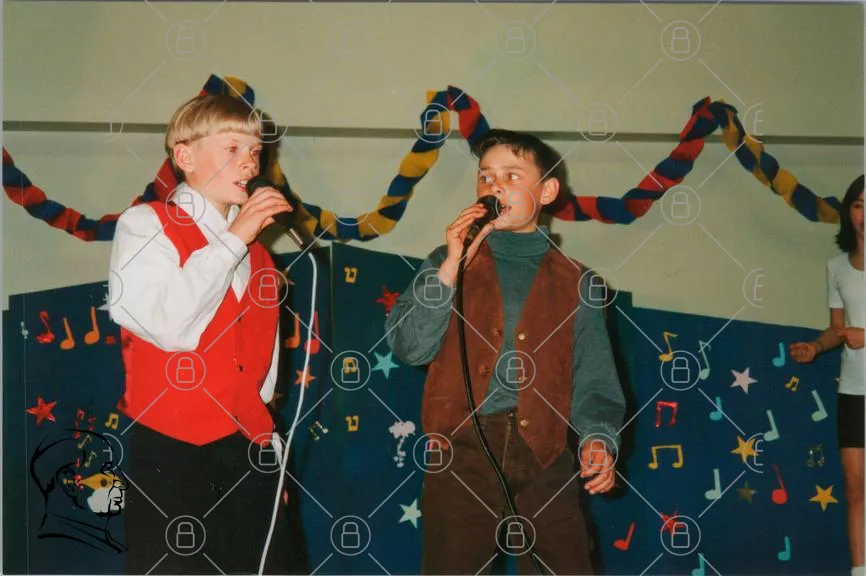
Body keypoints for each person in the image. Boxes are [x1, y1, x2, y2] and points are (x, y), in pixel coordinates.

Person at [385, 128, 626, 575]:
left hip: (545, 450)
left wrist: (598, 435)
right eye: (485, 177)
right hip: (461, 450)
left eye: (512, 176)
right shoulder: (445, 261)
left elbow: (594, 376)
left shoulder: (578, 281)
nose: (495, 186)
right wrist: (450, 267)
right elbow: (409, 347)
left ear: (547, 192)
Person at [108, 94, 295, 574]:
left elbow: (263, 370)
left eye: (256, 151)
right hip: (174, 449)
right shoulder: (146, 224)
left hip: (249, 450)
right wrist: (235, 239)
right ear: (185, 157)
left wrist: (267, 445)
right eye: (233, 148)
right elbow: (167, 325)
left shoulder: (259, 256)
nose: (250, 162)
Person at [790, 175, 864, 576]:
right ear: (848, 211)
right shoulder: (836, 267)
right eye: (858, 205)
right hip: (854, 389)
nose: (864, 214)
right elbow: (838, 329)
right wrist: (816, 347)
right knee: (854, 487)